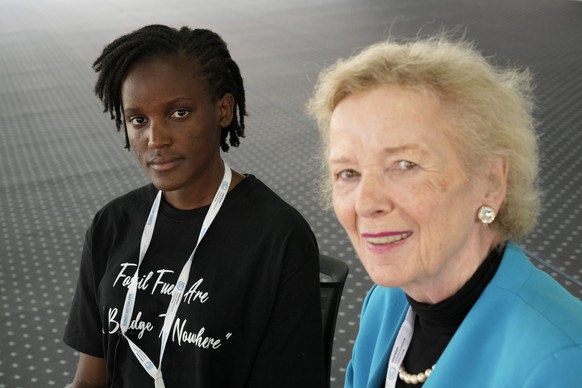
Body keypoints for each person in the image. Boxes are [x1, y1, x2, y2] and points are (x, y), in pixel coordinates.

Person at [307, 34, 582, 387]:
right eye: (348, 173)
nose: (366, 203)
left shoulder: (560, 364)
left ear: (491, 182)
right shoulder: (387, 301)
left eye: (404, 165)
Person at [63, 24, 325, 388]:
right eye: (138, 120)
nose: (156, 139)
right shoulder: (114, 223)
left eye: (179, 113)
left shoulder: (277, 237)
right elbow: (89, 379)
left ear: (223, 110)